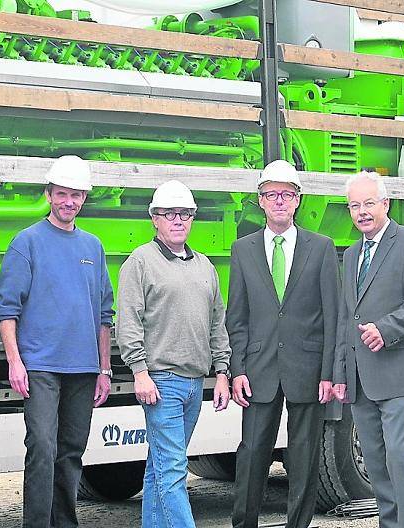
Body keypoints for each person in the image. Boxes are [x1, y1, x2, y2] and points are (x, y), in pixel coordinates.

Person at [0, 155, 114, 528]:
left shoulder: (93, 247)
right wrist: (16, 362)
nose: (69, 202)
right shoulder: (26, 242)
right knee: (42, 448)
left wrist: (104, 368)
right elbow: (6, 310)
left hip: (83, 368)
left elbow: (104, 313)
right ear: (49, 195)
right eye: (62, 194)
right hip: (41, 367)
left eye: (76, 195)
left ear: (84, 199)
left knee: (72, 452)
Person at [226, 160, 341, 528]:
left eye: (286, 194)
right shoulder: (243, 250)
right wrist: (237, 370)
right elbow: (237, 316)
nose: (279, 201)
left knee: (304, 456)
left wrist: (329, 372)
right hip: (258, 371)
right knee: (252, 454)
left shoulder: (321, 248)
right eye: (271, 194)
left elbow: (332, 316)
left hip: (307, 371)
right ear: (260, 200)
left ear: (297, 200)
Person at [328, 171, 404, 528]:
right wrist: (339, 374)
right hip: (362, 378)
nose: (362, 212)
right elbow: (347, 317)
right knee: (376, 462)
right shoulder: (350, 254)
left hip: (402, 372)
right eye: (354, 206)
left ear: (385, 204)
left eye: (368, 204)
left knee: (398, 457)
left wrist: (386, 329)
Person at [116, 180, 232, 528]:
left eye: (185, 214)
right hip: (161, 383)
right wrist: (139, 372)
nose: (178, 220)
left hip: (196, 383)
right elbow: (128, 321)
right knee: (173, 471)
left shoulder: (205, 266)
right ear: (155, 218)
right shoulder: (140, 262)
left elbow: (217, 323)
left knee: (160, 468)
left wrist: (222, 372)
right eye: (169, 214)